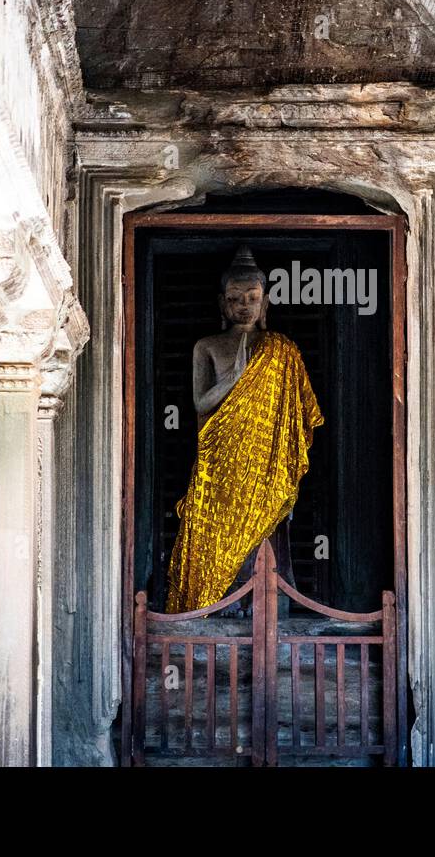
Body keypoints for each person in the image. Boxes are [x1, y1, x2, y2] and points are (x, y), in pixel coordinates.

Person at [164, 246, 324, 614]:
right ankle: (218, 604)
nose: (244, 306)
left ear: (265, 304)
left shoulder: (282, 350)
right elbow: (200, 404)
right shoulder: (207, 346)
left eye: (252, 298)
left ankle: (266, 605)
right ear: (221, 303)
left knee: (266, 533)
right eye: (235, 299)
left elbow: (299, 413)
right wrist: (234, 378)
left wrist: (283, 459)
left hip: (267, 466)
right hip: (221, 463)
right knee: (215, 534)